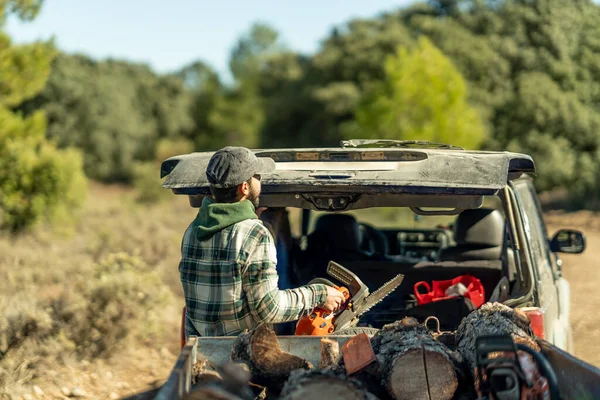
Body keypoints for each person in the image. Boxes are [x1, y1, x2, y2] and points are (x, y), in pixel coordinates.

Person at [179, 146, 345, 337]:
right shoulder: (254, 234)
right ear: (245, 187)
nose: (261, 180)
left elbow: (192, 309)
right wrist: (319, 295)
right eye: (257, 176)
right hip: (242, 354)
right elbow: (269, 310)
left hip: (205, 349)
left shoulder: (192, 231)